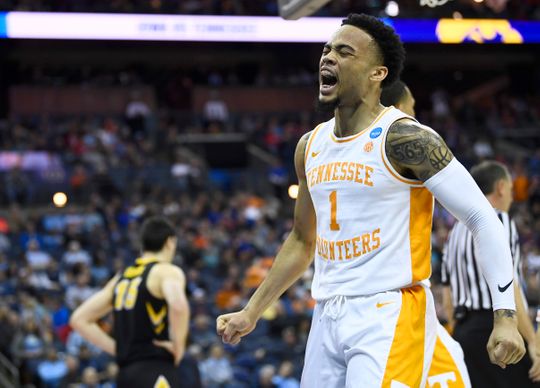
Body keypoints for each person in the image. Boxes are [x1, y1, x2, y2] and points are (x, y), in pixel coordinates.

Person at [217, 13, 524, 387]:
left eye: (345, 52)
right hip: (327, 312)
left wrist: (505, 316)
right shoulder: (309, 146)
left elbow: (482, 217)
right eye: (327, 50)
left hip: (390, 310)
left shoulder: (407, 139)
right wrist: (251, 312)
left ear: (377, 73)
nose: (328, 58)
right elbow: (301, 241)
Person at [381, 80, 471, 387]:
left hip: (396, 303)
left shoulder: (330, 146)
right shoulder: (413, 140)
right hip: (398, 300)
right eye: (412, 107)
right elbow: (479, 216)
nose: (415, 115)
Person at [441, 161, 540, 387]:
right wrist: (533, 342)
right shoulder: (500, 220)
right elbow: (510, 285)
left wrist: (461, 335)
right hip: (497, 326)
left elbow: (447, 295)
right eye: (512, 192)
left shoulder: (454, 232)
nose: (513, 198)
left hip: (463, 332)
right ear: (501, 187)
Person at [70, 216, 190, 388]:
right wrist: (179, 347)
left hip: (126, 374)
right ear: (170, 242)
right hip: (155, 367)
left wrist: (117, 349)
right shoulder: (166, 271)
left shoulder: (122, 277)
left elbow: (78, 319)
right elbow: (178, 305)